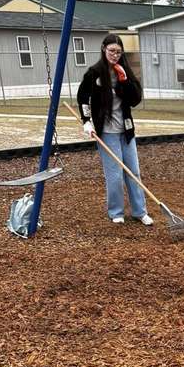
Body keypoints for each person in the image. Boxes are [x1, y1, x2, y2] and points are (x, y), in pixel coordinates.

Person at [77, 34, 154, 226]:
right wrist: (86, 121)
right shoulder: (94, 73)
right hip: (107, 132)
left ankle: (139, 211)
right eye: (112, 51)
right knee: (115, 175)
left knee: (134, 172)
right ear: (104, 49)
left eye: (118, 52)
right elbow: (83, 97)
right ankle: (116, 212)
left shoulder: (124, 70)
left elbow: (135, 99)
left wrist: (124, 79)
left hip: (126, 130)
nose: (115, 55)